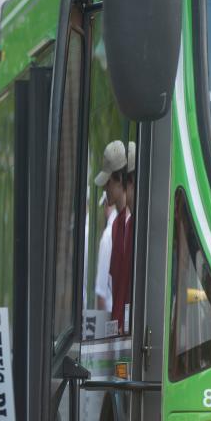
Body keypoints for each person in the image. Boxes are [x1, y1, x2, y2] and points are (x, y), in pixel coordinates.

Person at [94, 140, 136, 332]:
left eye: (108, 182)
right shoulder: (118, 226)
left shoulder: (134, 226)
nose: (105, 189)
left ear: (121, 179)